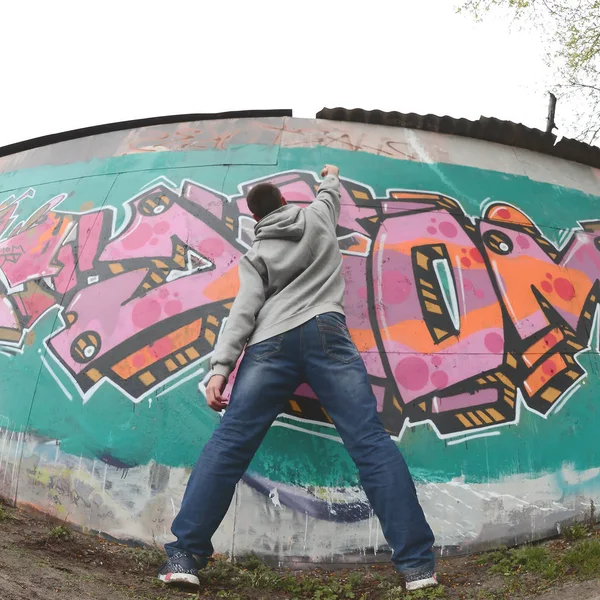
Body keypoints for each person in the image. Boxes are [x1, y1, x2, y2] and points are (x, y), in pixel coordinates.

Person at [158, 164, 437, 592]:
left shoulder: (257, 255)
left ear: (256, 220)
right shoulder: (317, 217)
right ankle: (417, 566)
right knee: (369, 442)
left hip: (270, 342)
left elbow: (243, 312)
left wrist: (220, 369)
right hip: (328, 333)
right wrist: (330, 175)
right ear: (286, 203)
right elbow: (330, 195)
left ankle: (185, 555)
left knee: (231, 443)